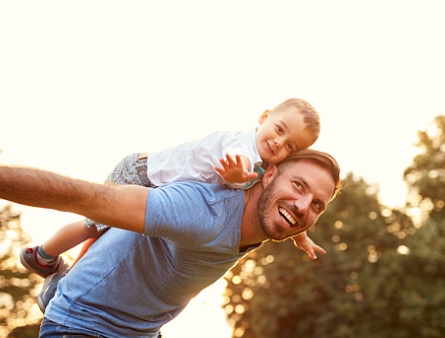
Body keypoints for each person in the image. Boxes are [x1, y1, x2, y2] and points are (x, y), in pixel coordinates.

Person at [1, 148, 341, 338]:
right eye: (298, 186)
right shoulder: (200, 211)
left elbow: (291, 210)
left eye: (317, 205)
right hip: (83, 337)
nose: (302, 206)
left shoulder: (265, 218)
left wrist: (300, 235)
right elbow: (85, 197)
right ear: (268, 176)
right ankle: (61, 287)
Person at [20, 98, 326, 287]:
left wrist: (301, 236)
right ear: (264, 117)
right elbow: (237, 165)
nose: (278, 143)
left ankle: (71, 276)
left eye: (290, 147)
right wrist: (236, 176)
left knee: (104, 234)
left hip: (156, 182)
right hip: (142, 174)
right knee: (94, 225)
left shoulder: (263, 165)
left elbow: (279, 202)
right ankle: (42, 256)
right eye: (280, 130)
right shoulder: (243, 145)